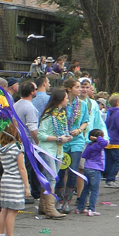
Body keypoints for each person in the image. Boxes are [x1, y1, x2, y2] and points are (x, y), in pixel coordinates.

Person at [0, 122, 29, 236]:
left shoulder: (2, 148)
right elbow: (22, 168)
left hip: (5, 180)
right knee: (12, 212)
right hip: (15, 182)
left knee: (4, 210)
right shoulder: (16, 149)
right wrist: (26, 186)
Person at [37, 89, 70, 219]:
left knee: (50, 177)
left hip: (57, 150)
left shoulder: (60, 115)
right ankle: (50, 208)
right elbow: (41, 134)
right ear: (61, 99)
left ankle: (43, 205)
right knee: (51, 178)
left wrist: (66, 137)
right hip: (48, 150)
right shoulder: (48, 115)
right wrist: (57, 139)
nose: (68, 100)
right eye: (66, 98)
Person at [55, 78, 87, 213]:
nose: (80, 89)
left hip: (76, 140)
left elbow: (85, 121)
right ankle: (59, 199)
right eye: (77, 87)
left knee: (73, 169)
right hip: (63, 139)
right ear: (69, 89)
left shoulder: (83, 105)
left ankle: (68, 201)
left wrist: (79, 130)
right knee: (61, 170)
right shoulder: (62, 103)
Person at [14, 81, 41, 202]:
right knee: (28, 169)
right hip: (28, 142)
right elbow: (32, 128)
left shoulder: (17, 104)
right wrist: (38, 141)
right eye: (35, 89)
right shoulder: (30, 107)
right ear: (32, 92)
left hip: (17, 139)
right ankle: (27, 192)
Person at [76, 129, 107, 215]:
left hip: (87, 168)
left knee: (85, 189)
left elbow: (84, 155)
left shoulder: (89, 145)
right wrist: (98, 138)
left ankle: (80, 208)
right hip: (95, 169)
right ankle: (91, 209)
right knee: (94, 190)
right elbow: (105, 143)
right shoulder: (98, 145)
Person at [104, 93, 119, 188]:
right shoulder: (118, 113)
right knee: (117, 160)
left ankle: (107, 178)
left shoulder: (109, 113)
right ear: (118, 103)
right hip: (116, 140)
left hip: (109, 139)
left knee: (109, 160)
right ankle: (111, 179)